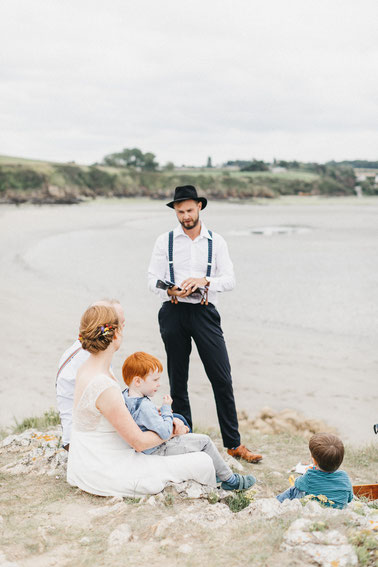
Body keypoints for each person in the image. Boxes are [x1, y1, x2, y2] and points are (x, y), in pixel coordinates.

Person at [148, 184, 262, 463]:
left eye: (189, 210)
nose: (185, 216)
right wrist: (169, 290)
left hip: (205, 311)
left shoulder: (216, 241)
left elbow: (231, 280)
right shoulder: (165, 241)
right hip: (173, 312)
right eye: (180, 211)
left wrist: (204, 280)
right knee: (178, 379)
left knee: (221, 377)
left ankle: (234, 444)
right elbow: (152, 279)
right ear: (174, 211)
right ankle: (187, 440)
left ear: (199, 207)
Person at [67, 304, 216, 497]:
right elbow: (139, 442)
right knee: (203, 461)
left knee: (179, 430)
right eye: (122, 326)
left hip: (87, 460)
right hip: (105, 468)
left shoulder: (87, 369)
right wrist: (171, 430)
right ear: (115, 335)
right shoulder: (104, 385)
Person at [122, 351, 256, 491]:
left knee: (180, 419)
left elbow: (143, 416)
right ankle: (231, 480)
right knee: (205, 441)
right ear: (137, 381)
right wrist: (166, 409)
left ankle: (215, 470)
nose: (159, 384)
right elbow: (164, 432)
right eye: (155, 380)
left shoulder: (126, 395)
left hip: (149, 446)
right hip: (158, 449)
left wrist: (159, 411)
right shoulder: (144, 406)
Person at [56, 298, 125, 450]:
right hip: (78, 441)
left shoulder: (85, 350)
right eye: (118, 323)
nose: (121, 328)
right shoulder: (92, 358)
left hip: (77, 434)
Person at [276, 433, 354, 509]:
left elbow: (297, 484)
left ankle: (277, 502)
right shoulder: (344, 477)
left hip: (315, 508)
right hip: (339, 511)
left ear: (314, 461)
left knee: (294, 490)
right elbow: (349, 498)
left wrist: (309, 472)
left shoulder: (310, 476)